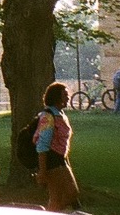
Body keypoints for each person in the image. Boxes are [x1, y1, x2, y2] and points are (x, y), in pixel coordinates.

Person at [34, 81, 79, 212]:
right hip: (52, 160)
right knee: (72, 193)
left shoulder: (60, 114)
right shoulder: (48, 116)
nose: (68, 97)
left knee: (56, 198)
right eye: (64, 94)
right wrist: (42, 171)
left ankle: (52, 212)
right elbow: (42, 145)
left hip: (60, 159)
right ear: (56, 97)